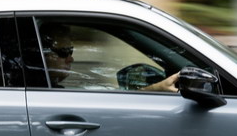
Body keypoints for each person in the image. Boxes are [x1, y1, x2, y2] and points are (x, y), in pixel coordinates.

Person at [40, 25, 181, 92]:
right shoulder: (44, 95)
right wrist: (156, 88)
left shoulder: (48, 91)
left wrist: (156, 88)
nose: (71, 59)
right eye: (64, 52)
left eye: (71, 51)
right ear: (41, 54)